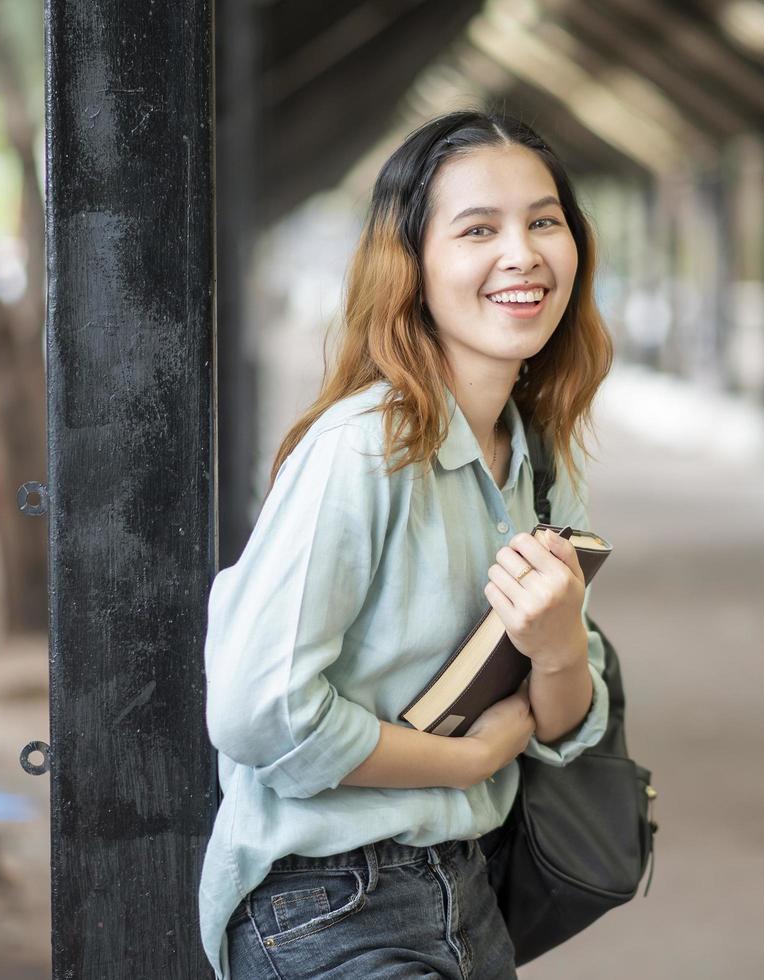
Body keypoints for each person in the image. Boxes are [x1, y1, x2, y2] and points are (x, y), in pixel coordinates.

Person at [199, 109, 615, 979]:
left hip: (470, 897)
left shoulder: (535, 455)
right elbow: (257, 709)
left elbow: (570, 724)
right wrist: (464, 761)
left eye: (545, 221)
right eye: (478, 230)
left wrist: (560, 647)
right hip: (327, 902)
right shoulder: (364, 449)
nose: (523, 254)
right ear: (412, 266)